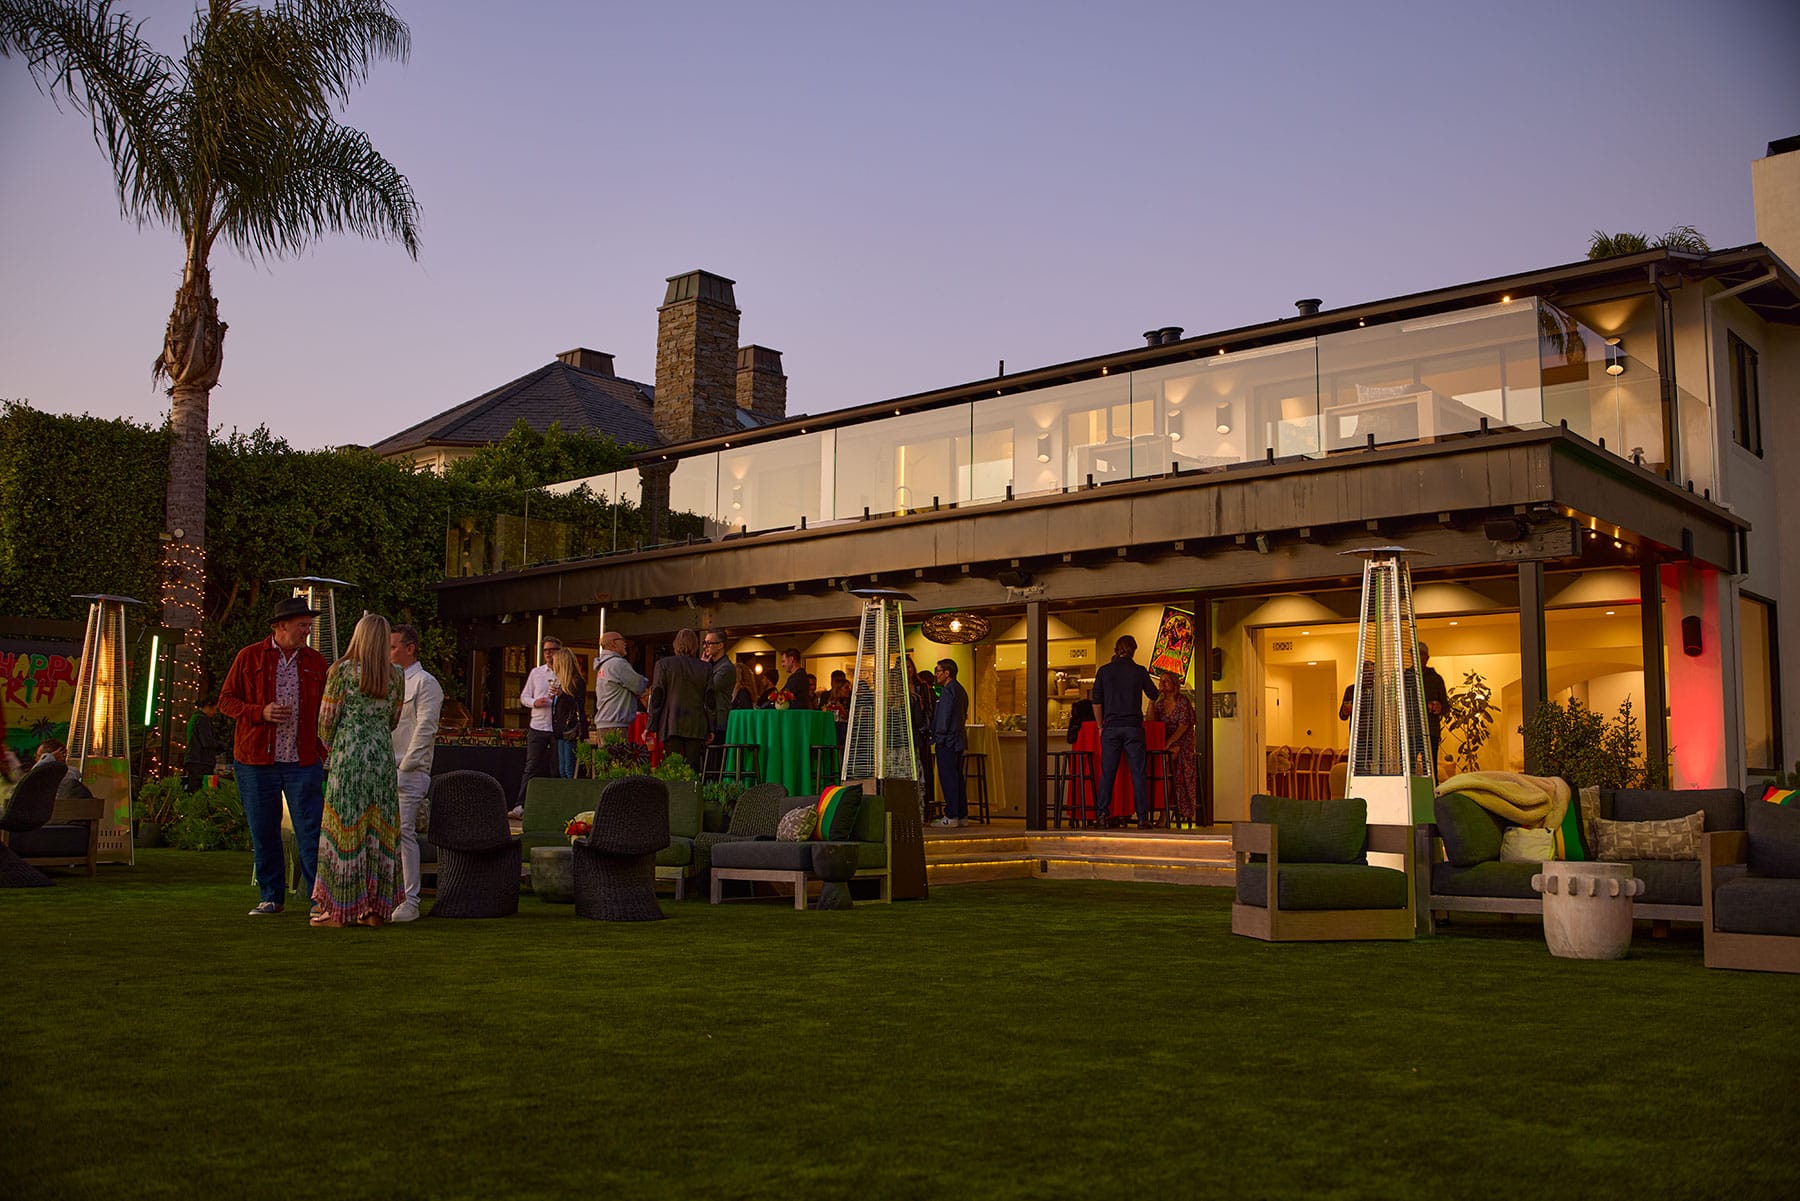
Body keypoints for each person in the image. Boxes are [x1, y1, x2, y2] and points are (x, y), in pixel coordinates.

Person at [219, 595, 328, 916]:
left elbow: (326, 708)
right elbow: (226, 700)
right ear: (280, 626)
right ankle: (271, 896)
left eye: (309, 625)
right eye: (301, 625)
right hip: (256, 759)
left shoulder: (315, 662)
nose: (307, 631)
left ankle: (317, 897)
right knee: (263, 827)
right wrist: (260, 712)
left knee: (311, 829)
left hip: (302, 758)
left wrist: (324, 747)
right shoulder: (250, 657)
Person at [311, 613, 406, 928]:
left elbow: (326, 720)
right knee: (378, 832)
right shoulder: (395, 676)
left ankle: (339, 910)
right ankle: (375, 910)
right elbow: (393, 720)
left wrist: (333, 746)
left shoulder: (341, 671)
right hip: (380, 759)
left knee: (344, 829)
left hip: (349, 758)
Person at [388, 622, 442, 923]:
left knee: (404, 832)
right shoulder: (387, 681)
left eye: (393, 647)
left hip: (409, 770)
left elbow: (425, 729)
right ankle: (387, 895)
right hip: (384, 766)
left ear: (410, 648)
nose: (388, 653)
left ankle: (409, 899)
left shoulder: (425, 682)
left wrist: (405, 766)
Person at [1092, 634, 1157, 827]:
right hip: (1133, 727)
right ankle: (1143, 818)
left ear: (1115, 649)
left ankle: (1102, 814)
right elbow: (1154, 694)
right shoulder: (1139, 671)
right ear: (1134, 650)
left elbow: (1096, 702)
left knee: (1108, 773)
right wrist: (1148, 710)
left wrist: (1100, 726)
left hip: (1111, 727)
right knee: (1138, 773)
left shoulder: (1104, 671)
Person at [648, 628, 712, 768]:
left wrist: (651, 725)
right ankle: (693, 790)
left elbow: (657, 697)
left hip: (671, 722)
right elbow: (709, 700)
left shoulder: (663, 665)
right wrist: (711, 727)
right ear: (695, 645)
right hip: (696, 723)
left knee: (672, 766)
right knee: (693, 765)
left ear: (676, 644)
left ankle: (673, 790)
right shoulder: (705, 668)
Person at [516, 634, 564, 812]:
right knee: (531, 767)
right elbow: (524, 697)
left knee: (557, 768)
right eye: (546, 651)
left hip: (557, 727)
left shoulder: (565, 673)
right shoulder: (536, 673)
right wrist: (534, 702)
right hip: (538, 725)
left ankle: (555, 807)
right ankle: (520, 805)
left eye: (552, 650)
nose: (549, 654)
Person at [1151, 671, 1198, 826]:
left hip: (1182, 741)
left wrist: (1169, 742)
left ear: (1174, 684)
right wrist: (1151, 701)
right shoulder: (1159, 704)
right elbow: (1151, 722)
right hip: (1165, 742)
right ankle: (1158, 807)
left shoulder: (1182, 702)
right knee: (1155, 763)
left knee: (1166, 764)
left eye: (1166, 681)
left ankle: (1165, 814)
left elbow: (1184, 725)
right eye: (1161, 681)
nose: (1163, 684)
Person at [929, 658, 969, 828]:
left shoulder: (946, 691)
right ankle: (961, 814)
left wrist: (936, 735)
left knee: (948, 778)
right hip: (959, 740)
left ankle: (951, 815)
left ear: (947, 673)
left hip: (947, 741)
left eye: (938, 671)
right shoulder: (961, 690)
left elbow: (943, 718)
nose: (936, 674)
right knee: (958, 778)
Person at [592, 630, 647, 744]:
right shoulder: (617, 664)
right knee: (618, 759)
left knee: (607, 760)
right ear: (613, 643)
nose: (625, 644)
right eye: (622, 640)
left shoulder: (603, 665)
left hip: (604, 722)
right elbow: (639, 685)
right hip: (616, 724)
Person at [549, 648, 588, 778]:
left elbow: (578, 704)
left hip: (570, 728)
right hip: (561, 729)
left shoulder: (577, 682)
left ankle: (570, 795)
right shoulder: (560, 682)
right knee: (562, 768)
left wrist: (562, 695)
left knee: (569, 768)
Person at [701, 629, 735, 745]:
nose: (705, 647)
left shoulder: (726, 668)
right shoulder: (710, 664)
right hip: (706, 719)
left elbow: (707, 688)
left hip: (718, 721)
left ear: (720, 645)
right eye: (704, 643)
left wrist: (702, 667)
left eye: (709, 643)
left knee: (715, 759)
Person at [1420, 643, 1450, 776]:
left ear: (1427, 657)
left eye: (1421, 654)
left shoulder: (1436, 679)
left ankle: (1432, 793)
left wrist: (1439, 707)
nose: (1417, 657)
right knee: (1407, 767)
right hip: (1410, 731)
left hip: (1430, 730)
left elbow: (1446, 707)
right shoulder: (1405, 677)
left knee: (1430, 767)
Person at [183, 698, 223, 792]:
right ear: (208, 707)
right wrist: (221, 745)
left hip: (194, 760)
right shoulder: (203, 719)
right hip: (202, 762)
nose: (215, 713)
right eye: (215, 709)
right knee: (208, 790)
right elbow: (206, 742)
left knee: (193, 789)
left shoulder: (195, 718)